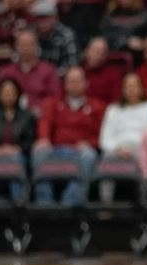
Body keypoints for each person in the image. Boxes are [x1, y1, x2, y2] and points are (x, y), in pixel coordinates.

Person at [32, 67, 106, 207]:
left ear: (86, 83)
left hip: (80, 151)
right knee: (39, 151)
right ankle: (44, 203)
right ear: (65, 84)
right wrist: (44, 138)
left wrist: (90, 143)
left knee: (89, 155)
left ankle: (71, 203)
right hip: (55, 149)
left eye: (78, 81)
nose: (74, 84)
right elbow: (45, 123)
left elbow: (103, 135)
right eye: (71, 81)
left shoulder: (97, 106)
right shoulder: (52, 103)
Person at [0, 77, 36, 202]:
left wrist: (17, 149)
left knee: (15, 161)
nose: (8, 95)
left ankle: (19, 203)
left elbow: (30, 139)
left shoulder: (27, 115)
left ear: (18, 94)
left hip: (17, 154)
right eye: (5, 92)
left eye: (11, 92)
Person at [0, 29, 61, 112]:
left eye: (29, 44)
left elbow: (55, 98)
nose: (26, 48)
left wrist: (36, 106)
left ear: (37, 46)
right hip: (11, 117)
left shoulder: (49, 71)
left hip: (40, 116)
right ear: (16, 46)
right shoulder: (6, 72)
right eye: (22, 45)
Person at [98, 72, 147, 160]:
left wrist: (143, 149)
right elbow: (105, 139)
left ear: (142, 88)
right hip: (117, 151)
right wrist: (117, 149)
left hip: (143, 150)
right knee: (107, 157)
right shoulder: (113, 110)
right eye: (128, 86)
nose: (131, 89)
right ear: (123, 90)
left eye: (134, 86)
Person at [82, 36, 123, 105]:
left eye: (102, 53)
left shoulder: (113, 74)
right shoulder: (77, 72)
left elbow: (115, 103)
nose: (98, 56)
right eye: (95, 51)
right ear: (86, 51)